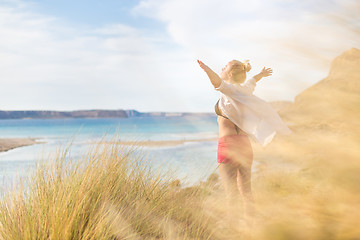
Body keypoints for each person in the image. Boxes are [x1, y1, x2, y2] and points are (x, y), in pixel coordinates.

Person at [197, 59, 292, 224]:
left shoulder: (229, 90)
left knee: (231, 193)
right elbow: (252, 82)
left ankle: (233, 229)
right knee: (246, 191)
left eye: (225, 66)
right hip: (244, 143)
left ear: (231, 74)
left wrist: (206, 69)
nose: (222, 67)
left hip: (228, 144)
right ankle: (251, 226)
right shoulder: (244, 91)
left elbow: (216, 82)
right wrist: (260, 75)